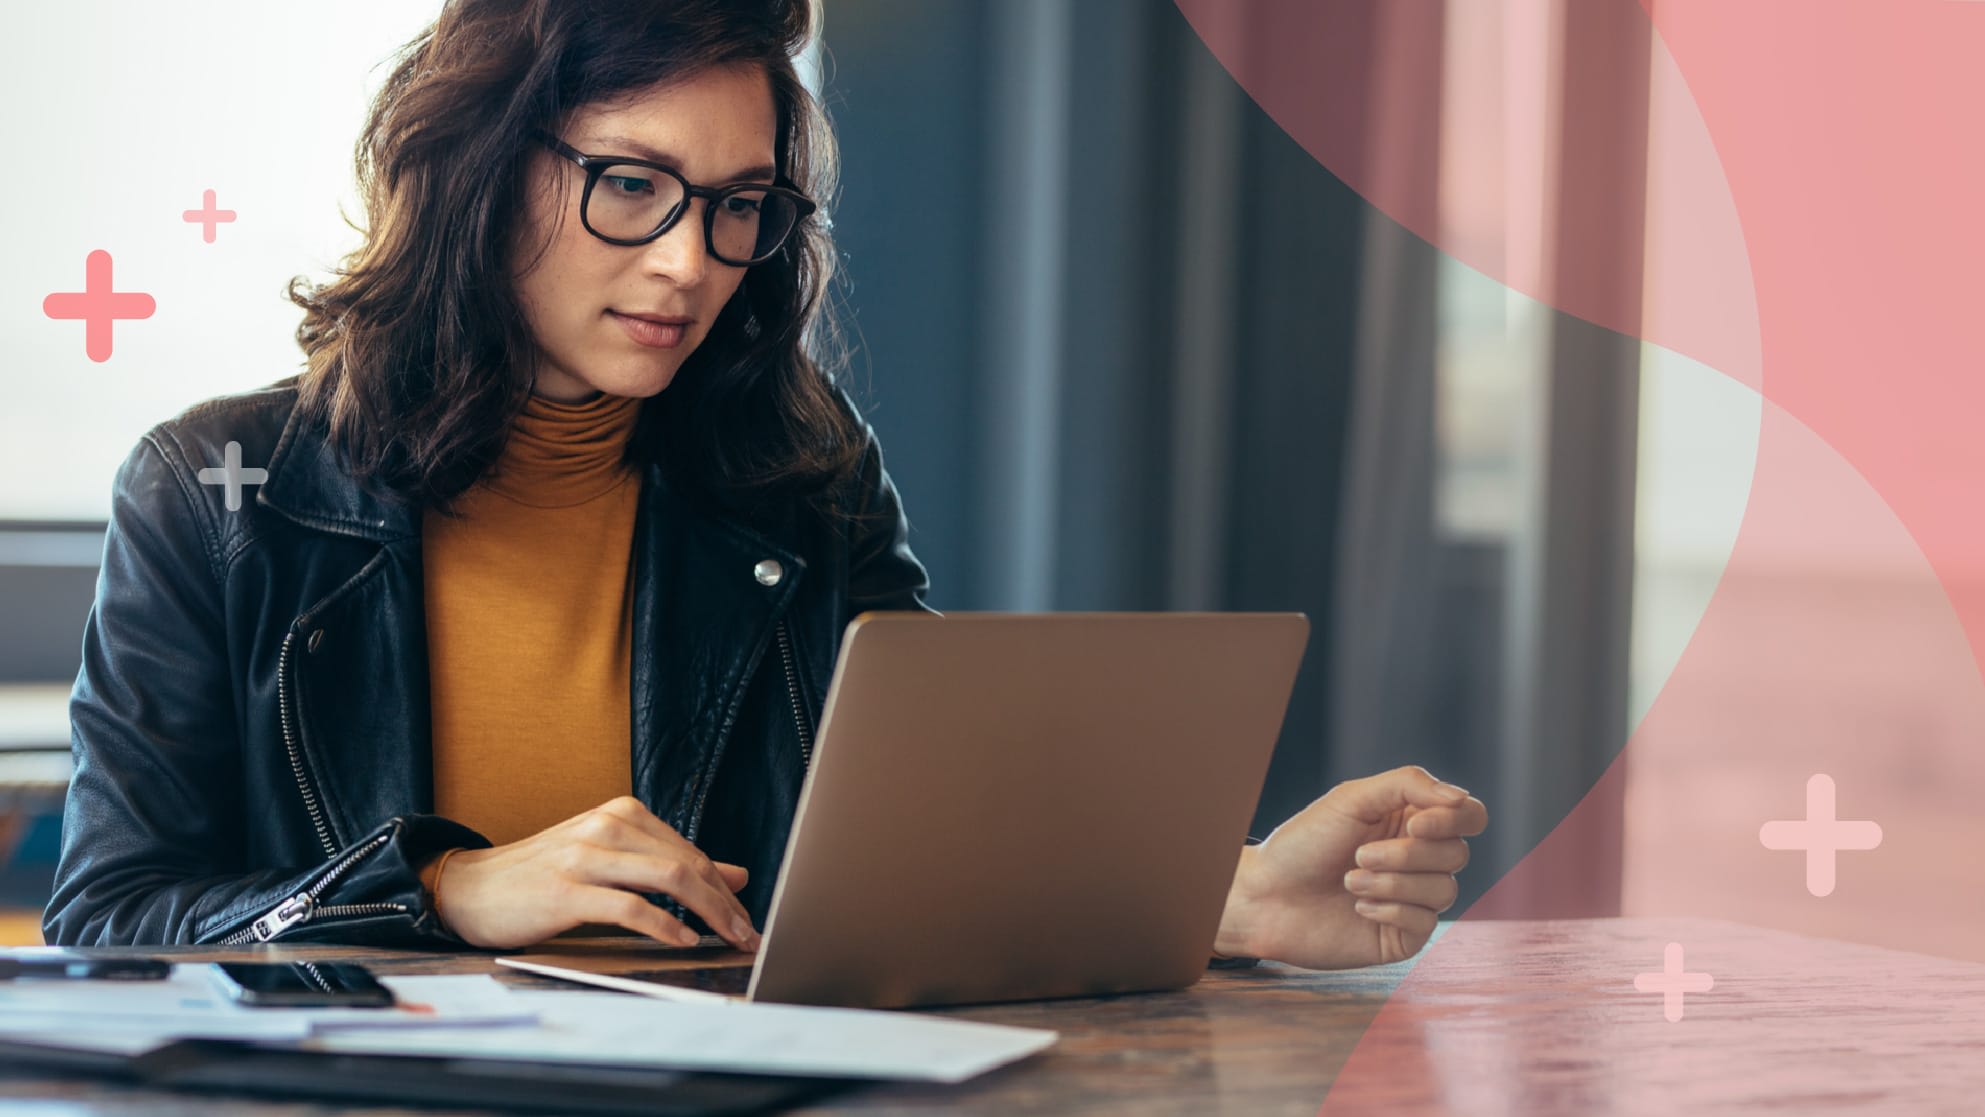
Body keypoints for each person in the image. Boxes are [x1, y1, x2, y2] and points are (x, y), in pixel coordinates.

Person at [42, 0, 1486, 972]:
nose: (688, 261)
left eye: (739, 205)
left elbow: (929, 836)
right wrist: (440, 891)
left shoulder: (795, 469)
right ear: (479, 170)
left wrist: (1223, 894)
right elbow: (109, 920)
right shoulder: (219, 492)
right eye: (631, 185)